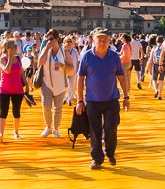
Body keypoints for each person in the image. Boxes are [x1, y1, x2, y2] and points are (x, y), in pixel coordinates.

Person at [75, 27, 130, 169]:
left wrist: (126, 96)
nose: (102, 42)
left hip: (111, 99)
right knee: (95, 130)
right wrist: (80, 100)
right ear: (94, 40)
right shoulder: (87, 56)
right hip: (92, 100)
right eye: (99, 39)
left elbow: (121, 77)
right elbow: (80, 79)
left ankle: (110, 153)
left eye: (105, 39)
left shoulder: (114, 57)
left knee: (111, 127)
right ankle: (97, 158)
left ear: (109, 41)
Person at [38, 29, 72, 137]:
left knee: (58, 108)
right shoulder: (45, 49)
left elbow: (71, 69)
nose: (49, 41)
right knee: (46, 105)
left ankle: (56, 129)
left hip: (60, 84)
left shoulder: (64, 51)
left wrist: (61, 66)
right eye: (47, 39)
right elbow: (39, 63)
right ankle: (48, 127)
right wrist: (47, 48)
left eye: (51, 39)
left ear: (57, 38)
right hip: (46, 83)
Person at [0, 38, 25, 141]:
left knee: (16, 111)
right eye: (12, 47)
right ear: (6, 49)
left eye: (15, 47)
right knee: (3, 111)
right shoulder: (1, 59)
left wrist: (27, 85)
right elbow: (7, 71)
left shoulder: (18, 58)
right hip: (4, 89)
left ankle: (16, 133)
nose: (14, 49)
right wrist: (9, 57)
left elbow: (21, 72)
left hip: (18, 89)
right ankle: (1, 133)